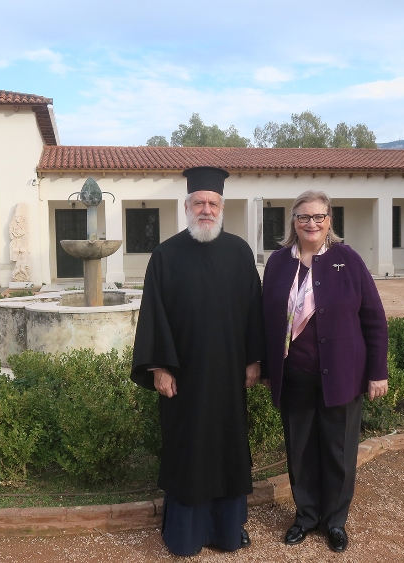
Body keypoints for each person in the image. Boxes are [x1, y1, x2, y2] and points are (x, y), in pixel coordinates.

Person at [131, 166, 264, 557]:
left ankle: (228, 529)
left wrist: (254, 360)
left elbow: (254, 311)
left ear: (222, 208)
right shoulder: (165, 254)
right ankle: (185, 534)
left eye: (213, 203)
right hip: (184, 379)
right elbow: (153, 314)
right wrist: (159, 367)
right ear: (187, 205)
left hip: (227, 375)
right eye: (199, 202)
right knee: (188, 451)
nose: (206, 209)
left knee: (227, 448)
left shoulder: (240, 252)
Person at [261, 190, 388, 553]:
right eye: (303, 217)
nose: (311, 224)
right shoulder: (279, 263)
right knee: (299, 449)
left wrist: (377, 371)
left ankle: (334, 521)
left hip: (343, 376)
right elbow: (265, 320)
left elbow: (374, 319)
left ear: (329, 220)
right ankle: (305, 516)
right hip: (295, 374)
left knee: (339, 450)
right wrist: (269, 367)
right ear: (293, 222)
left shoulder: (347, 259)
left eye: (318, 217)